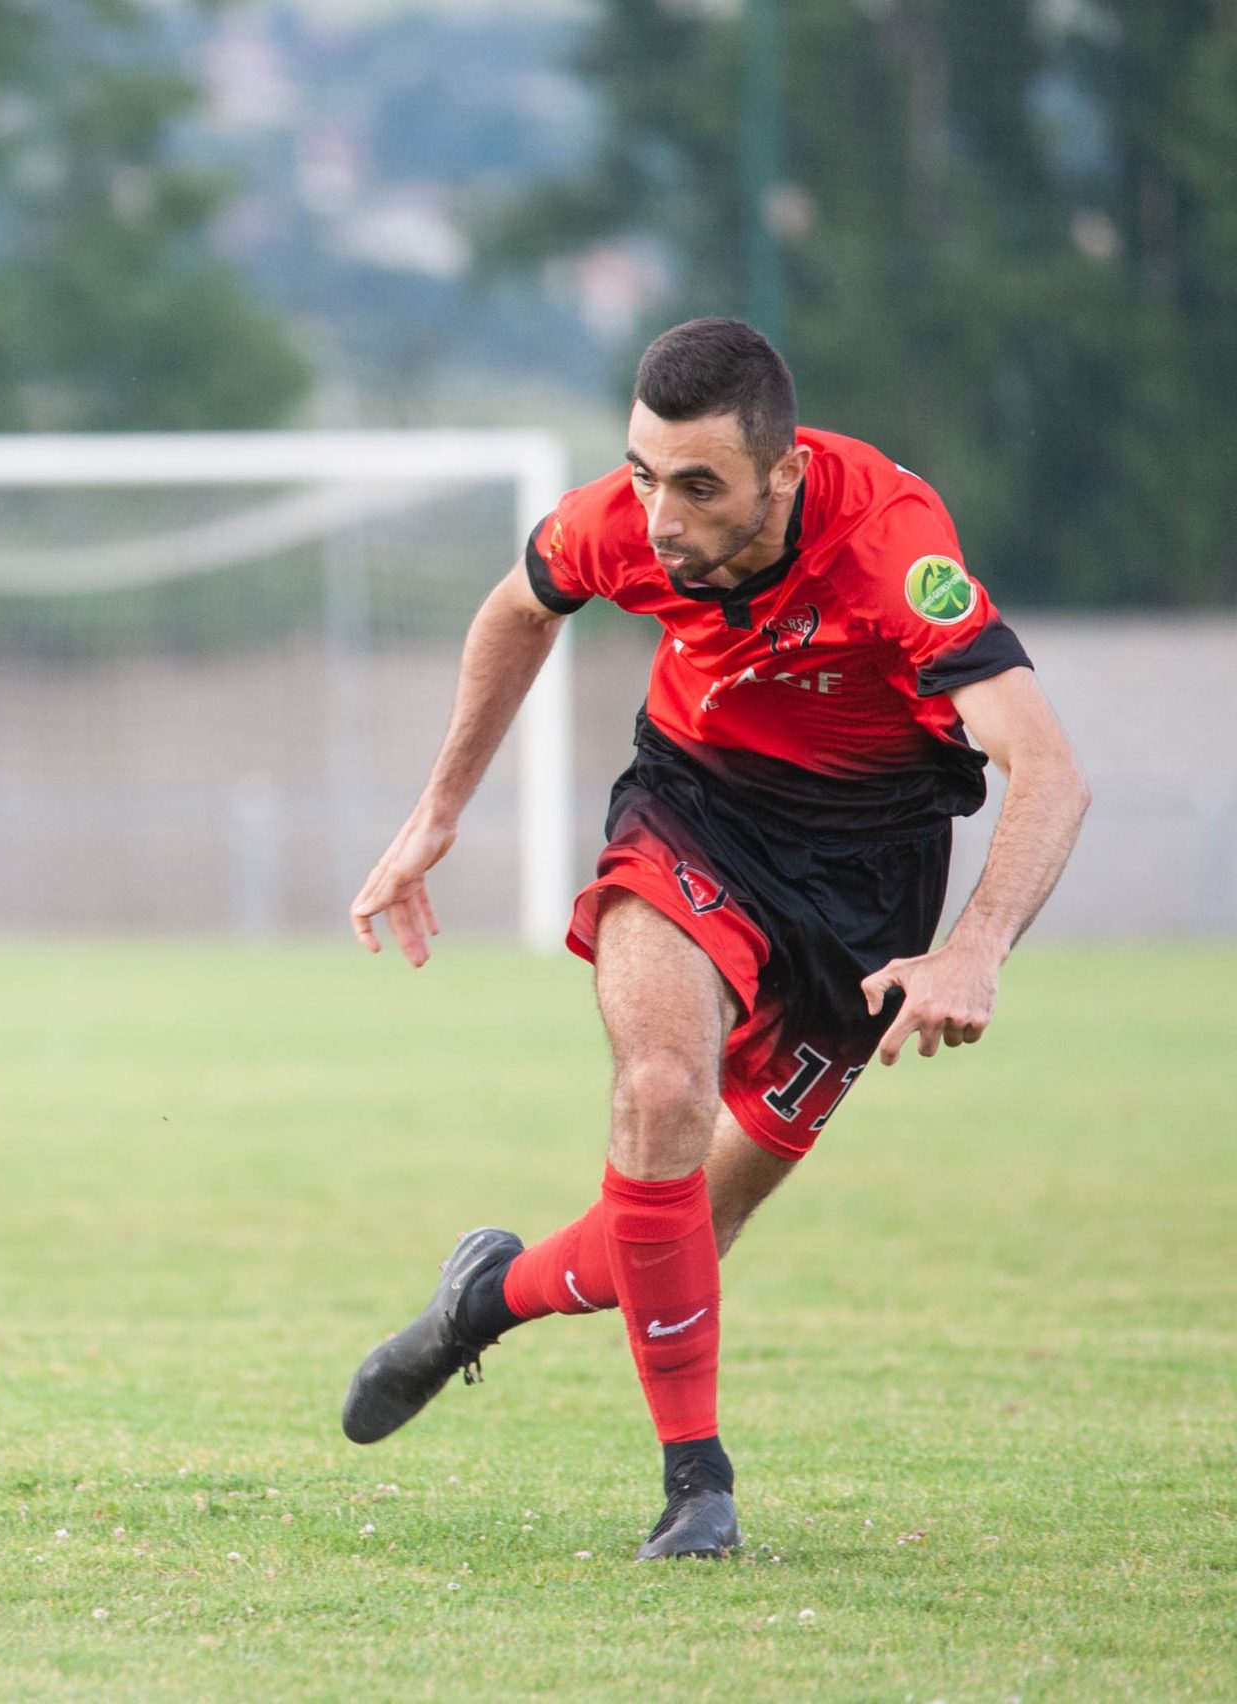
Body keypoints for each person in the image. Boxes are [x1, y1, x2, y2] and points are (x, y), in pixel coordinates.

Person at [338, 318, 1088, 1559]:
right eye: (642, 474)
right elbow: (515, 612)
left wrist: (974, 946)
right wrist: (437, 811)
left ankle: (484, 1299)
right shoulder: (620, 525)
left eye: (697, 486)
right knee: (660, 1092)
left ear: (781, 476)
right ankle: (699, 1490)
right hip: (692, 813)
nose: (661, 516)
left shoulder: (893, 547)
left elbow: (1047, 767)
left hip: (866, 881)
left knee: (684, 1226)